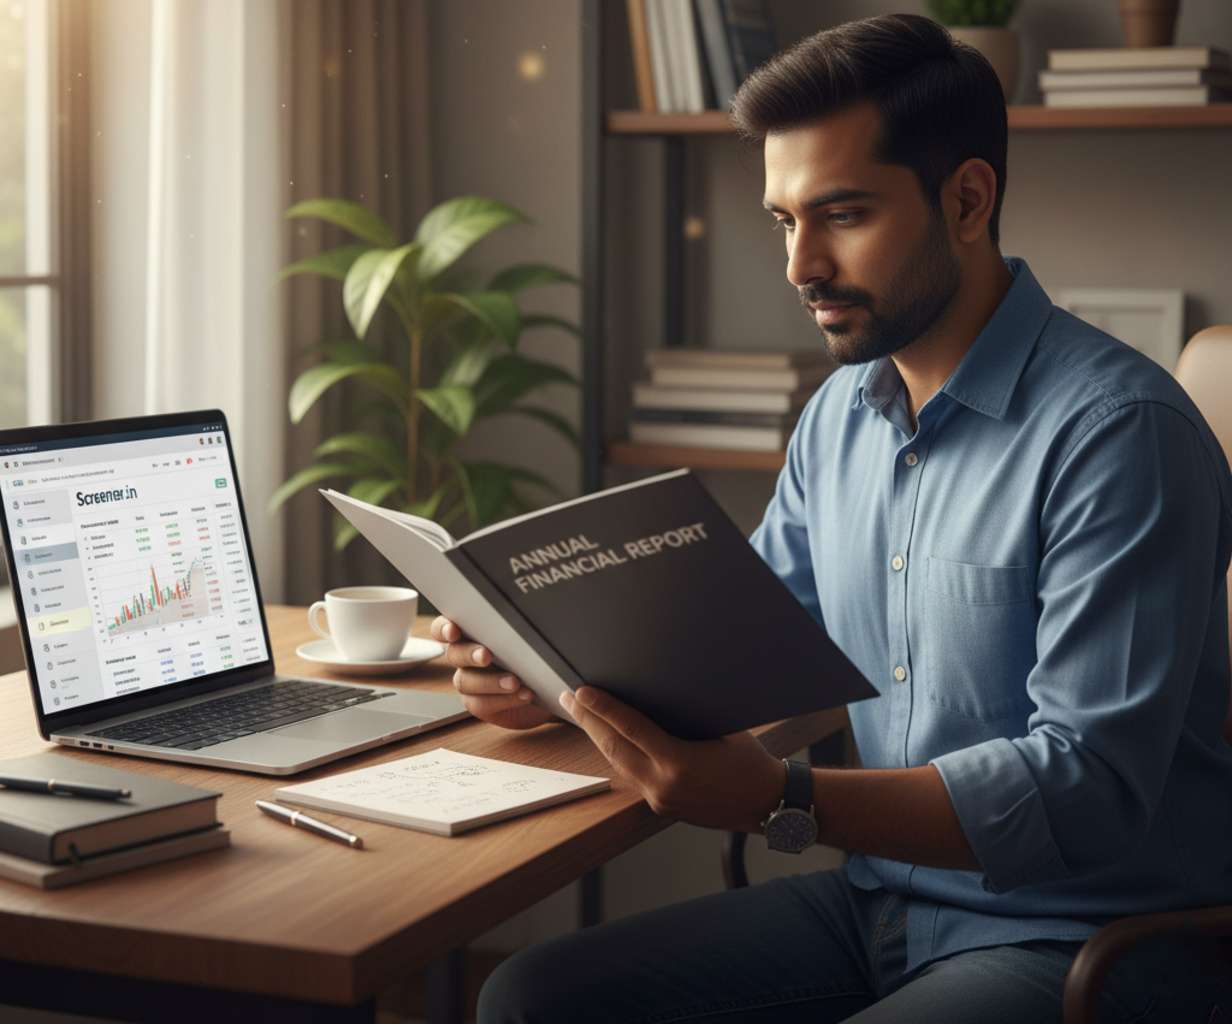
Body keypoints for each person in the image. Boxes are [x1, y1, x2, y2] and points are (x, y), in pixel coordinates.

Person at [437, 13, 1232, 1023]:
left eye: (841, 214)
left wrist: (783, 800)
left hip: (1083, 940)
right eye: (784, 219)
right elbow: (733, 651)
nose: (797, 264)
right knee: (529, 996)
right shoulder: (838, 419)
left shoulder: (1120, 434)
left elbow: (1082, 786)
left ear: (966, 199)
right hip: (884, 901)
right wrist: (545, 671)